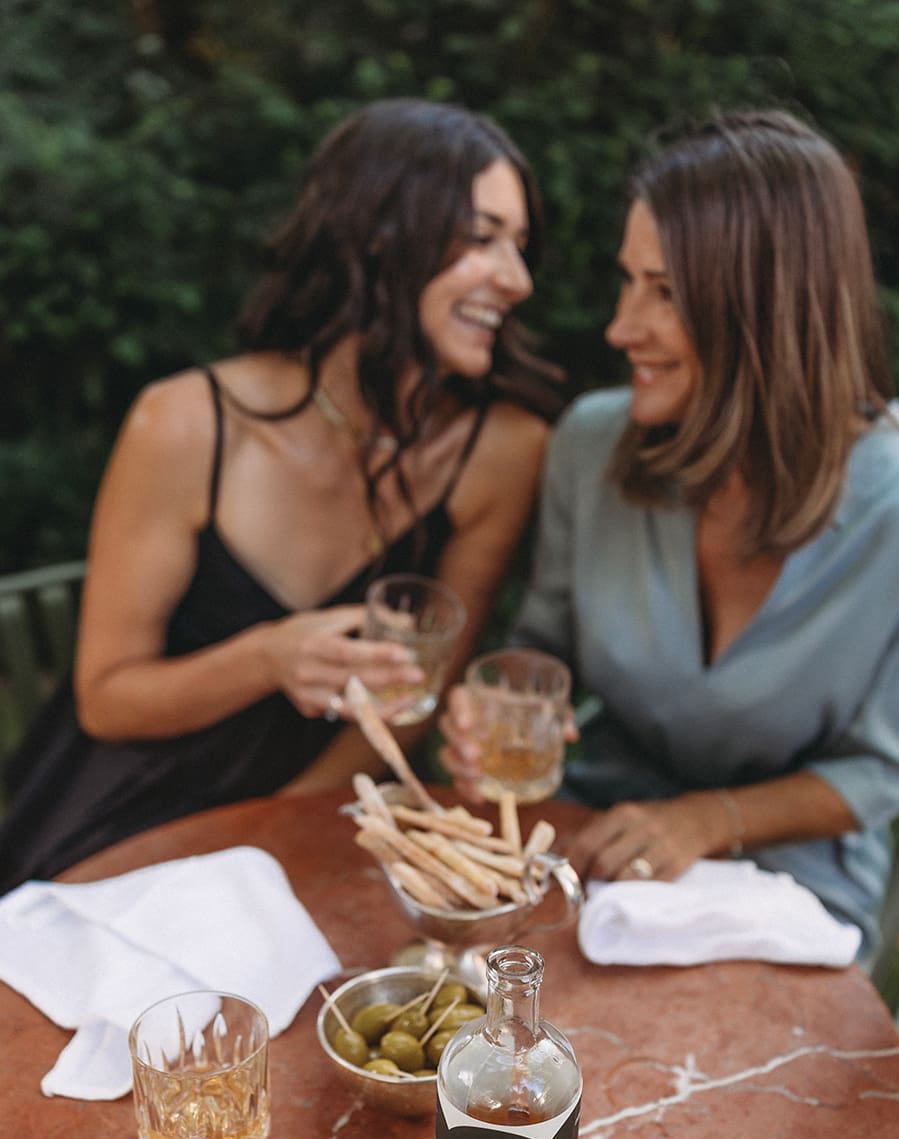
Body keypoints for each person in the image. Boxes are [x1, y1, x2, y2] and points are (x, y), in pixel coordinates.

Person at [0, 98, 560, 891]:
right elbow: (107, 701)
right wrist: (269, 657)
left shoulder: (502, 450)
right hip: (129, 811)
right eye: (481, 238)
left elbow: (417, 697)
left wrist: (277, 836)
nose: (516, 279)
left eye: (519, 245)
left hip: (322, 816)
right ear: (377, 235)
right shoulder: (186, 421)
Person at [440, 108, 899, 958]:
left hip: (793, 887)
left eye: (664, 293)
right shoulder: (591, 445)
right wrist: (500, 708)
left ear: (768, 310)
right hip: (592, 838)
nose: (620, 327)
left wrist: (708, 820)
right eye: (628, 281)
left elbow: (876, 773)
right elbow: (541, 648)